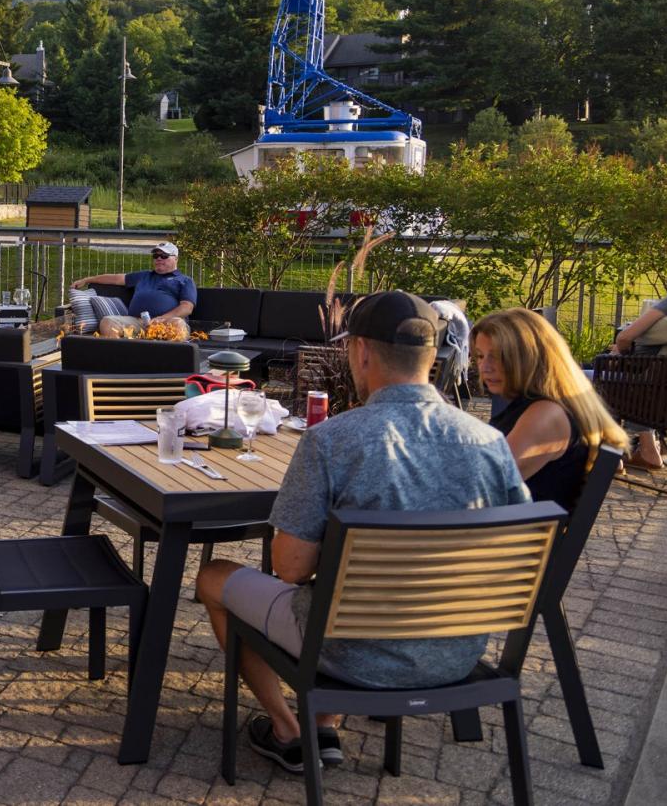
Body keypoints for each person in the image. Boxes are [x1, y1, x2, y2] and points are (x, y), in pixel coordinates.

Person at [195, 291, 529, 774]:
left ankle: (289, 729)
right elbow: (513, 550)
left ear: (362, 352)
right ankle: (321, 723)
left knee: (214, 577)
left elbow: (289, 569)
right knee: (353, 602)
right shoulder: (491, 443)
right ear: (433, 357)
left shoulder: (332, 440)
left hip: (350, 655)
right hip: (455, 652)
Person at [473, 308, 628, 508]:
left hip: (517, 535)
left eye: (498, 356)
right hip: (516, 529)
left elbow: (481, 486)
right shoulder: (548, 405)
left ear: (530, 356)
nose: (485, 367)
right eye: (479, 356)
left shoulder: (545, 416)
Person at [71, 241, 196, 333]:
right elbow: (115, 279)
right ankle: (118, 360)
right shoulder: (143, 276)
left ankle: (171, 364)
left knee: (178, 325)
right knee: (107, 322)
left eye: (164, 256)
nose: (158, 259)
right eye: (155, 256)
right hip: (138, 322)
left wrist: (162, 319)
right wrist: (87, 280)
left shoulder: (184, 280)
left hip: (167, 322)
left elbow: (186, 307)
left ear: (176, 259)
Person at [607, 297, 667, 468]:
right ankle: (649, 449)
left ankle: (609, 457)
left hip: (645, 397)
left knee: (603, 382)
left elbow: (624, 338)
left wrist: (620, 350)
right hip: (658, 399)